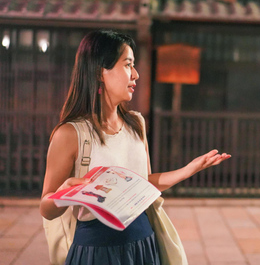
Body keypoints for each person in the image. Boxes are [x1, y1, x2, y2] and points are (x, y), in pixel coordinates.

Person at [40, 30, 231, 264]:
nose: (136, 74)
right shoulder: (70, 134)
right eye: (128, 65)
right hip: (97, 249)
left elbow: (143, 183)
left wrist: (189, 169)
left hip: (143, 242)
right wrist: (66, 193)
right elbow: (46, 208)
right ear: (101, 71)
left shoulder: (136, 124)